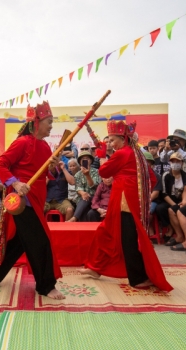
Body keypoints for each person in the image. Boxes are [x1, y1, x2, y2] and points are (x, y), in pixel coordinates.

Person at [0, 101, 65, 300]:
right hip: (22, 200)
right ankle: (46, 285)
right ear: (37, 122)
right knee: (40, 241)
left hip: (37, 197)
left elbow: (49, 175)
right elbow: (0, 164)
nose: (51, 125)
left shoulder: (44, 145)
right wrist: (15, 183)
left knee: (21, 241)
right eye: (49, 121)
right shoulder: (22, 142)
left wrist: (53, 167)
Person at [78, 120, 172, 291]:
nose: (111, 144)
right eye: (109, 141)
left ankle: (138, 278)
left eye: (113, 140)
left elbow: (104, 171)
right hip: (128, 199)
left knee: (127, 238)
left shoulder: (122, 154)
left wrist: (101, 155)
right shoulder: (138, 154)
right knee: (109, 231)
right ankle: (96, 268)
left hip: (123, 200)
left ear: (123, 138)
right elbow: (152, 179)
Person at [157, 153, 186, 243]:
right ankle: (170, 228)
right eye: (173, 161)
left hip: (182, 200)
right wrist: (174, 205)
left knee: (178, 209)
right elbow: (164, 193)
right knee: (160, 208)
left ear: (182, 163)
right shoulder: (166, 175)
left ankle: (181, 233)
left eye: (177, 161)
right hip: (169, 200)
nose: (175, 163)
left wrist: (182, 202)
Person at [68, 150, 101, 222]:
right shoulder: (78, 174)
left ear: (91, 161)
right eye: (83, 159)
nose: (85, 160)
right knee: (84, 199)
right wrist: (82, 193)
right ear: (80, 162)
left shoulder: (97, 172)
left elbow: (95, 186)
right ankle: (76, 220)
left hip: (95, 197)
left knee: (87, 198)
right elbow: (78, 188)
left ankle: (74, 218)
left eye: (87, 159)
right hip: (83, 199)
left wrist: (87, 175)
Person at [144, 151, 163, 235]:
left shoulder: (157, 176)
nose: (145, 164)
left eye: (147, 162)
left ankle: (147, 230)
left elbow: (155, 193)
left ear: (152, 164)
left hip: (152, 200)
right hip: (138, 199)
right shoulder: (136, 175)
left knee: (147, 210)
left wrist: (144, 201)